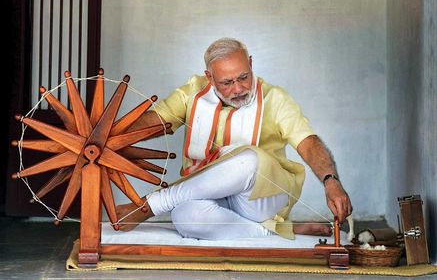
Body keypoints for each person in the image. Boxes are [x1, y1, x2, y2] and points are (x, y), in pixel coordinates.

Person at [115, 37, 352, 240]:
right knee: (184, 217)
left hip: (261, 199)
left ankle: (151, 205)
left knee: (246, 159)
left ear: (250, 63)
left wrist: (331, 180)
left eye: (244, 77)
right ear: (209, 77)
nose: (238, 89)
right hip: (217, 200)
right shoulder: (192, 93)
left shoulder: (275, 98)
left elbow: (308, 142)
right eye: (227, 83)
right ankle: (274, 232)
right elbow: (155, 122)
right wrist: (111, 133)